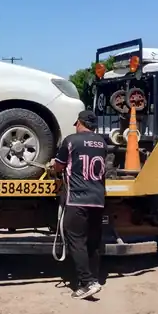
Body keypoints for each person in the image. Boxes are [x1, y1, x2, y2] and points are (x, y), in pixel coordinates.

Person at [48, 109, 108, 299]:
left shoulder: (71, 140)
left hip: (78, 199)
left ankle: (87, 282)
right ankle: (93, 278)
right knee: (93, 242)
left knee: (76, 240)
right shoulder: (102, 143)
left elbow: (59, 166)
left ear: (80, 123)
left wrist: (53, 166)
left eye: (77, 123)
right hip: (98, 200)